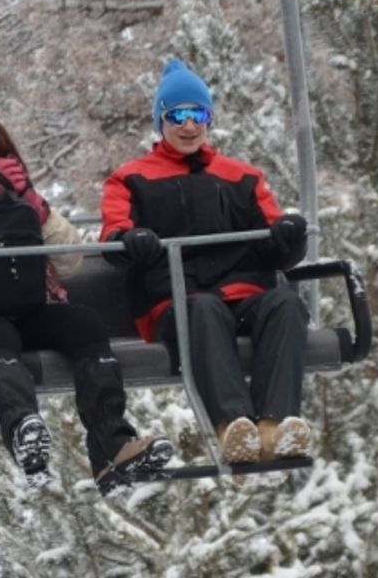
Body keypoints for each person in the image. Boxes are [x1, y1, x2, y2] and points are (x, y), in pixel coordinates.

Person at [0, 100, 174, 493]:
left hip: (28, 305)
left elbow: (70, 261)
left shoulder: (15, 191)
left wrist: (33, 206)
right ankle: (24, 431)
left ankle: (112, 444)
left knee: (84, 325)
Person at [100, 59, 312, 465]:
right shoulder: (131, 178)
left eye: (198, 115)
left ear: (209, 119)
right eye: (177, 115)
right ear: (161, 121)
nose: (188, 126)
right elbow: (113, 232)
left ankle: (274, 425)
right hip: (178, 300)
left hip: (244, 295)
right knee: (204, 308)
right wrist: (131, 241)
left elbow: (273, 239)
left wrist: (289, 237)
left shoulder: (242, 176)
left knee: (286, 304)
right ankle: (231, 424)